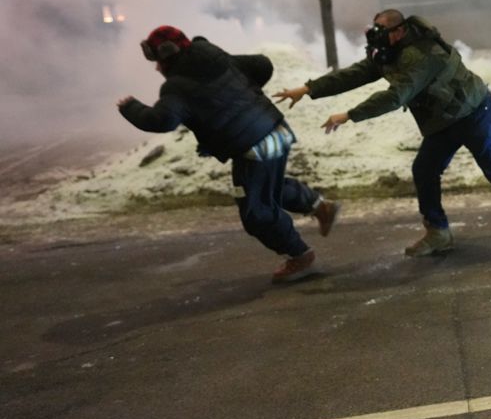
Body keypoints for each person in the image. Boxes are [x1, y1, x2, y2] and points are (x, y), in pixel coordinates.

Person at [274, 9, 491, 255]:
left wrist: (350, 115)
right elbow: (355, 74)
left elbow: (396, 96)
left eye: (381, 30)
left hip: (476, 114)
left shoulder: (421, 54)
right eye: (374, 30)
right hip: (443, 122)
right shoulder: (389, 53)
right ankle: (438, 232)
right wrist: (308, 89)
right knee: (424, 170)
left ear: (399, 31)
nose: (376, 36)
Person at [117, 26, 340, 284]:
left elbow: (161, 120)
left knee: (256, 213)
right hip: (276, 129)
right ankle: (319, 207)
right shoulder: (216, 58)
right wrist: (244, 95)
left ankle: (300, 256)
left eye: (157, 61)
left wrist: (130, 107)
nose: (156, 68)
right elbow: (262, 65)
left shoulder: (176, 88)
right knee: (267, 187)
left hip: (253, 146)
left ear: (167, 56)